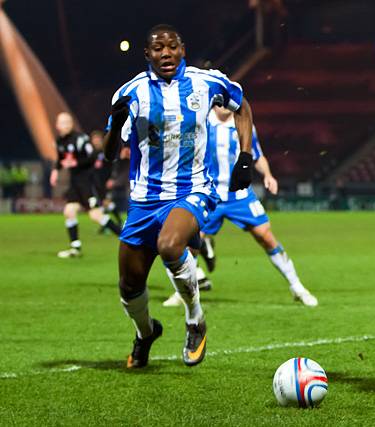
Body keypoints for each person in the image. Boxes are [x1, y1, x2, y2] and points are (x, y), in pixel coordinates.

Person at [103, 24, 255, 369]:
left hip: (192, 190)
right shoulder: (131, 93)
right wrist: (115, 122)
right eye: (158, 49)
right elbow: (111, 152)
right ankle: (145, 334)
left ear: (182, 49)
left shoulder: (206, 82)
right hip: (143, 201)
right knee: (129, 286)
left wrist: (244, 157)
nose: (166, 53)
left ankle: (195, 320)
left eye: (171, 46)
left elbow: (242, 106)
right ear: (148, 55)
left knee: (170, 245)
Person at [162, 106, 318, 308]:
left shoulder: (244, 124)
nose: (225, 106)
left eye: (229, 101)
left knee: (266, 236)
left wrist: (268, 175)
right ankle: (182, 292)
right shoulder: (203, 122)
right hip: (209, 195)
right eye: (221, 102)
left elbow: (257, 155)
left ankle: (297, 287)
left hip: (239, 195)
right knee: (190, 245)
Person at [50, 113, 121, 258]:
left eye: (63, 122)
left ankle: (125, 237)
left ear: (70, 124)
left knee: (96, 215)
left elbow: (93, 155)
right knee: (69, 211)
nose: (60, 126)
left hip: (87, 183)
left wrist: (76, 163)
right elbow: (60, 159)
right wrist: (55, 172)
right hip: (75, 183)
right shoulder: (59, 141)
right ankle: (75, 247)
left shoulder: (80, 139)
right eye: (59, 123)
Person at [89, 130, 123, 233]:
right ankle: (112, 224)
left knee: (105, 203)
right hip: (97, 183)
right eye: (94, 139)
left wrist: (112, 178)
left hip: (106, 181)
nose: (96, 141)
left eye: (98, 139)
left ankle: (115, 224)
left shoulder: (106, 151)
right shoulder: (92, 154)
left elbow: (115, 165)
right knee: (105, 203)